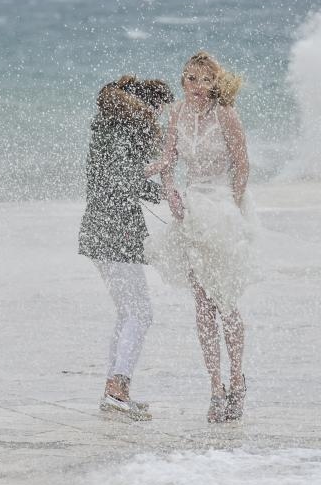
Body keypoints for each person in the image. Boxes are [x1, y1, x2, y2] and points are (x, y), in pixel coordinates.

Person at [145, 51, 254, 423]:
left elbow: (242, 166)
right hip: (191, 209)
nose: (196, 86)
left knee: (225, 300)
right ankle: (215, 388)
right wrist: (167, 187)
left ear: (215, 83)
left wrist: (234, 210)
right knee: (202, 304)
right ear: (183, 82)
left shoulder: (226, 115)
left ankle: (238, 379)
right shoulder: (175, 113)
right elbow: (168, 160)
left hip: (222, 206)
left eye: (204, 80)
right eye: (190, 78)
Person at [78, 75, 174, 421]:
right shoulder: (121, 131)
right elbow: (124, 178)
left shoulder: (107, 127)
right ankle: (118, 390)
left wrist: (153, 182)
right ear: (149, 106)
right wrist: (161, 175)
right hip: (115, 232)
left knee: (127, 312)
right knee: (141, 313)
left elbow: (117, 176)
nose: (161, 117)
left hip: (99, 230)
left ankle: (113, 390)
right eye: (160, 110)